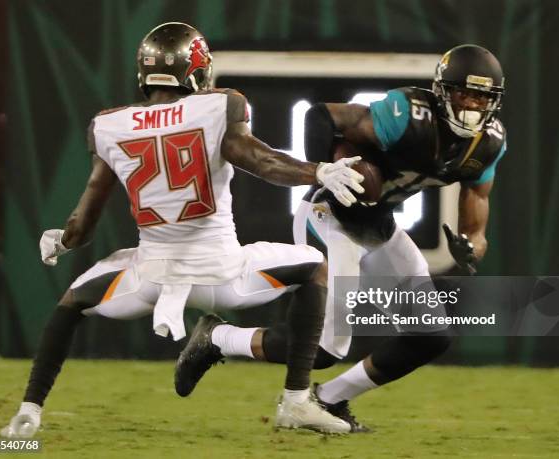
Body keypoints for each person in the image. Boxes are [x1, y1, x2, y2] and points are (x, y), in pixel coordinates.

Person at [0, 22, 367, 438]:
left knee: (70, 304)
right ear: (197, 70)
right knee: (313, 266)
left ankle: (29, 411)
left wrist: (61, 239)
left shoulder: (109, 125)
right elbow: (259, 161)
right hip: (226, 276)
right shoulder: (217, 106)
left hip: (149, 280)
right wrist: (316, 170)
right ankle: (297, 401)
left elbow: (83, 226)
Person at [175, 44, 507, 432]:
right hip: (329, 215)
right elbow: (321, 116)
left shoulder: (488, 145)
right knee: (326, 348)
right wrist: (326, 171)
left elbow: (477, 216)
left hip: (379, 225)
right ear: (441, 92)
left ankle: (329, 399)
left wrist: (472, 246)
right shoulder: (408, 116)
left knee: (429, 335)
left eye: (481, 97)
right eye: (463, 93)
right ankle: (219, 337)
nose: (470, 105)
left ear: (493, 102)